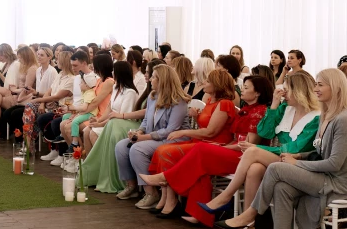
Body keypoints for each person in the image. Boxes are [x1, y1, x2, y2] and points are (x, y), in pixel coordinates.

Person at [216, 68, 347, 229]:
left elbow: (334, 164)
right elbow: (318, 152)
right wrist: (299, 156)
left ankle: (250, 214)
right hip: (321, 175)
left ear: (335, 88)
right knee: (281, 187)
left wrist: (296, 163)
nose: (315, 89)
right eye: (315, 84)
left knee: (277, 168)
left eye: (320, 85)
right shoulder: (326, 115)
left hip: (335, 182)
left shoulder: (342, 120)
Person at [139, 76, 272, 229]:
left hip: (245, 157)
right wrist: (224, 146)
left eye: (246, 87)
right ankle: (200, 214)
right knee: (200, 166)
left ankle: (166, 178)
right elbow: (235, 139)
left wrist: (224, 147)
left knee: (200, 149)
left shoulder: (259, 112)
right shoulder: (245, 109)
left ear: (258, 93)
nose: (242, 89)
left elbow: (248, 146)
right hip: (235, 151)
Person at [200, 71, 320, 229]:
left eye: (287, 90)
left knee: (252, 152)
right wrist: (274, 105)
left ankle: (226, 196)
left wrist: (258, 148)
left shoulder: (316, 117)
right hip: (281, 158)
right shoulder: (286, 108)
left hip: (299, 163)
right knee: (254, 169)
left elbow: (295, 150)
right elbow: (265, 132)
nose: (283, 94)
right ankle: (246, 228)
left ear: (299, 91)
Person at [142, 69, 237, 217]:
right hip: (201, 142)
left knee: (167, 152)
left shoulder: (225, 104)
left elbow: (211, 132)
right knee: (162, 149)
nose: (204, 83)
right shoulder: (211, 101)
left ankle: (170, 198)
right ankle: (166, 198)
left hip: (212, 145)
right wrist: (197, 118)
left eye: (208, 81)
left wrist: (184, 132)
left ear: (217, 85)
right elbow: (207, 128)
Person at [114, 64, 190, 209]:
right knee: (121, 146)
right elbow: (146, 120)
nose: (150, 80)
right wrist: (139, 132)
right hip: (155, 137)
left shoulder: (178, 100)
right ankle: (132, 186)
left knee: (137, 149)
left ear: (163, 80)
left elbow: (171, 130)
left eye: (154, 77)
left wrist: (144, 137)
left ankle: (151, 192)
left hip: (173, 139)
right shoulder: (153, 96)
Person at [81, 60, 139, 192]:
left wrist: (100, 123)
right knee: (86, 130)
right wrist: (97, 120)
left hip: (122, 125)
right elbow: (109, 109)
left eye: (114, 71)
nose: (112, 72)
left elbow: (120, 116)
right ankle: (93, 172)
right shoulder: (116, 88)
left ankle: (104, 173)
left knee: (93, 133)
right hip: (112, 121)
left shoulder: (130, 92)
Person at [0, 46, 36, 142]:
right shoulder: (7, 64)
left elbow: (23, 87)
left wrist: (0, 75)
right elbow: (2, 84)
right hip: (13, 91)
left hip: (18, 95)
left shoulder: (19, 65)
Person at [61, 53, 113, 153]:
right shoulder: (99, 80)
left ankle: (80, 156)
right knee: (63, 124)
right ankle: (76, 155)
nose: (92, 67)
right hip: (94, 112)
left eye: (94, 65)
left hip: (101, 115)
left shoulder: (109, 82)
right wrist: (77, 113)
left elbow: (95, 101)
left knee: (68, 127)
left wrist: (79, 113)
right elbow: (89, 97)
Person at [36, 52, 76, 164]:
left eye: (58, 59)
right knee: (41, 119)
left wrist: (38, 100)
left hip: (67, 108)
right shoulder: (60, 74)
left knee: (55, 123)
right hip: (58, 107)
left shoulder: (72, 79)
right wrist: (42, 103)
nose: (56, 61)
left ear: (63, 61)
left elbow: (58, 96)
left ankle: (62, 154)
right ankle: (54, 149)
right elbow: (49, 90)